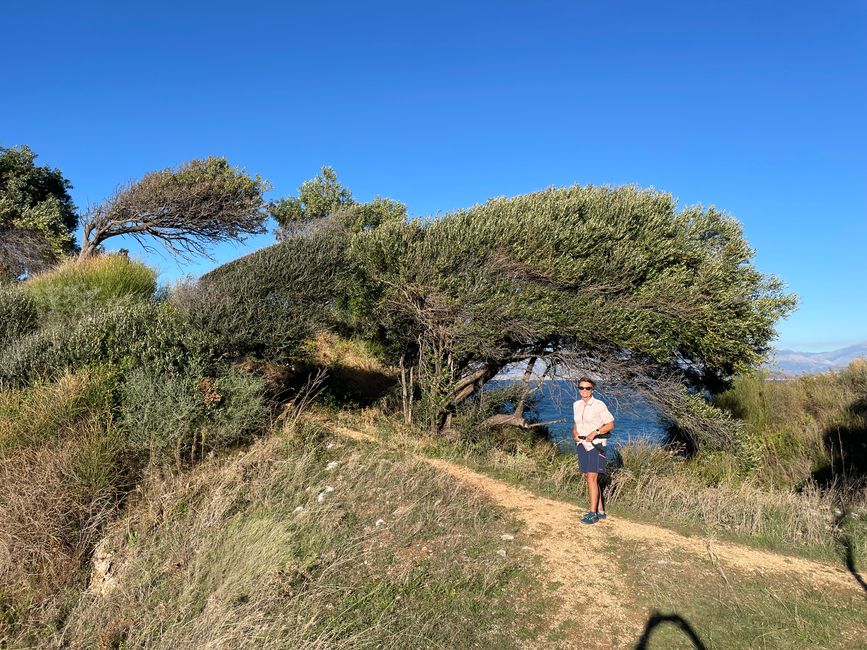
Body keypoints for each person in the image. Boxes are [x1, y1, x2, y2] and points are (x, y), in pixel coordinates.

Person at [572, 377, 614, 524]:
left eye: (587, 388)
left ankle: (592, 514)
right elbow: (576, 423)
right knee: (589, 478)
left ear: (592, 390)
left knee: (591, 478)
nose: (584, 390)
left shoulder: (598, 405)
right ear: (578, 389)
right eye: (581, 387)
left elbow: (610, 425)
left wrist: (595, 432)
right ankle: (600, 510)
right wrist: (574, 434)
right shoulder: (576, 405)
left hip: (596, 445)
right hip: (582, 445)